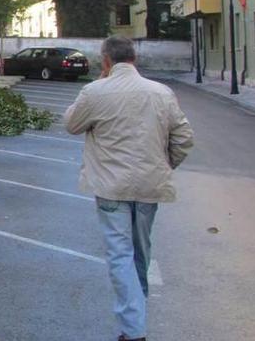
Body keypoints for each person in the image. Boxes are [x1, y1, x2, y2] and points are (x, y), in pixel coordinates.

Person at [64, 36, 194, 341]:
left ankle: (134, 330)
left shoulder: (96, 91)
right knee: (140, 252)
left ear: (106, 61)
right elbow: (184, 137)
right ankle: (136, 317)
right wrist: (165, 164)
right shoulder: (161, 92)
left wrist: (98, 82)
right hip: (149, 186)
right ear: (134, 59)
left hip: (111, 188)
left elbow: (71, 123)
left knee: (120, 255)